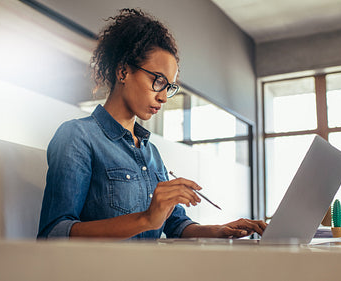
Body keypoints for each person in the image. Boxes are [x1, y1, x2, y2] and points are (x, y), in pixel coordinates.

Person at [37, 8, 266, 240]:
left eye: (170, 87)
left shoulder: (151, 153)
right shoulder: (78, 136)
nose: (164, 97)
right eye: (158, 81)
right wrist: (145, 219)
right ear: (123, 71)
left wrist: (218, 230)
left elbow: (176, 224)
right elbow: (54, 234)